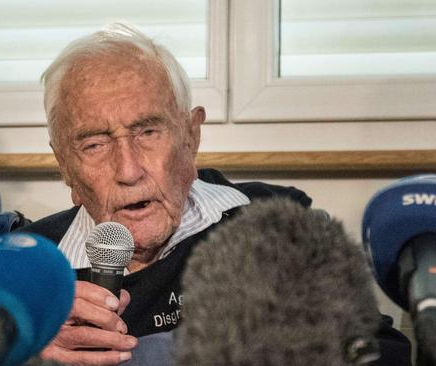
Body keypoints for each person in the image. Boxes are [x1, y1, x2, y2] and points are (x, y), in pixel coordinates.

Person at [21, 23, 410, 366]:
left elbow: (384, 352)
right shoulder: (23, 264)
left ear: (191, 137)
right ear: (65, 168)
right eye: (94, 145)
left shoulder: (272, 224)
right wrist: (29, 352)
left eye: (148, 132)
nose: (128, 170)